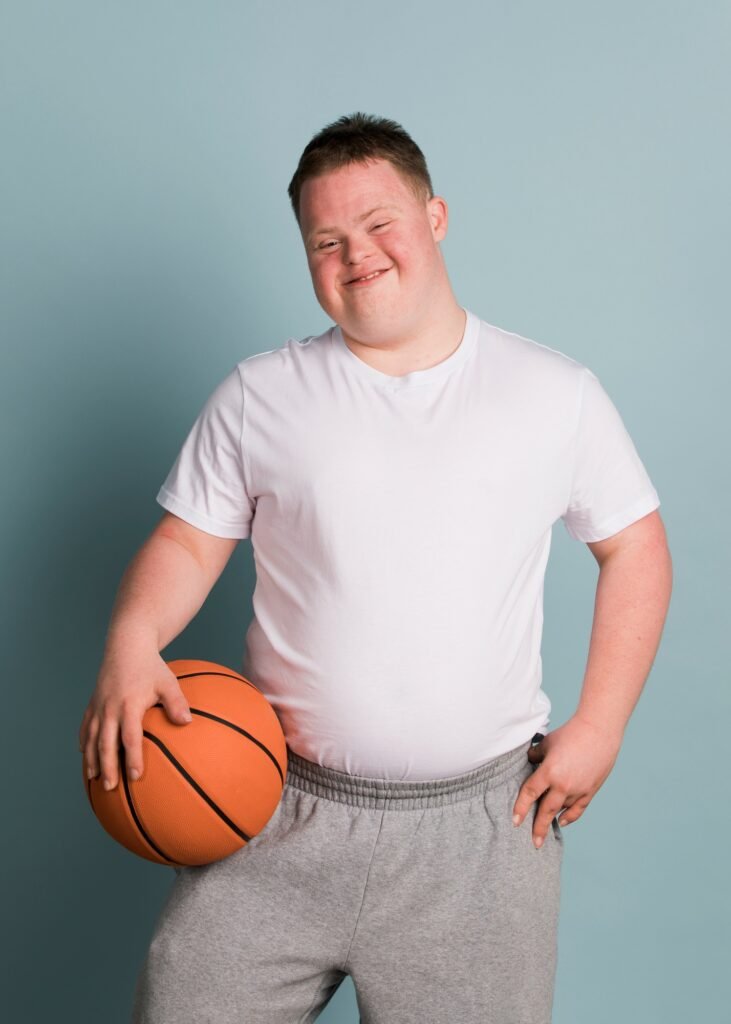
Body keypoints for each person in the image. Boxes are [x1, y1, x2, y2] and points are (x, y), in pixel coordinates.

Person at [79, 112, 673, 1023]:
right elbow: (187, 543)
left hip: (479, 838)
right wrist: (130, 639)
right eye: (326, 241)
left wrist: (602, 724)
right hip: (274, 808)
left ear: (435, 217)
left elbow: (635, 545)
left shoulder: (553, 393)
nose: (356, 254)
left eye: (378, 223)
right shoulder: (260, 394)